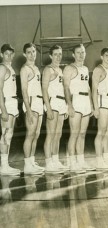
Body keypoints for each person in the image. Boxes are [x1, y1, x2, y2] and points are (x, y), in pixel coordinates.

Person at [63, 44, 95, 172]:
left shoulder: (86, 69)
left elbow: (87, 87)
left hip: (86, 101)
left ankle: (81, 161)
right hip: (75, 100)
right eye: (78, 52)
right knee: (74, 133)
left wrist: (91, 105)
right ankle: (72, 162)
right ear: (73, 54)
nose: (81, 55)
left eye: (83, 52)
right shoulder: (69, 68)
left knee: (82, 134)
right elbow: (65, 88)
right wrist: (69, 105)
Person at [42, 45, 67, 173]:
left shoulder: (61, 70)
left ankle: (55, 160)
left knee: (58, 134)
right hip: (53, 102)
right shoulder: (48, 69)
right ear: (51, 56)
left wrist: (66, 106)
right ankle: (48, 162)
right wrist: (48, 107)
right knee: (51, 134)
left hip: (61, 102)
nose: (58, 56)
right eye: (56, 54)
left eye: (60, 54)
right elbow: (44, 89)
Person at [20, 42, 44, 174]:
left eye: (33, 51)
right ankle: (26, 164)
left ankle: (32, 162)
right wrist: (28, 110)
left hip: (39, 102)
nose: (31, 54)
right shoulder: (25, 69)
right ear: (24, 54)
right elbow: (24, 91)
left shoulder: (36, 68)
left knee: (36, 134)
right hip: (31, 102)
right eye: (29, 52)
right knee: (30, 134)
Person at [0, 44, 21, 175]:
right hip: (6, 103)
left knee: (9, 134)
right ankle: (3, 166)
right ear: (2, 55)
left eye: (11, 54)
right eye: (7, 54)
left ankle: (5, 165)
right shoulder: (2, 68)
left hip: (12, 102)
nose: (10, 56)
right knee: (5, 134)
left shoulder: (10, 68)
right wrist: (3, 109)